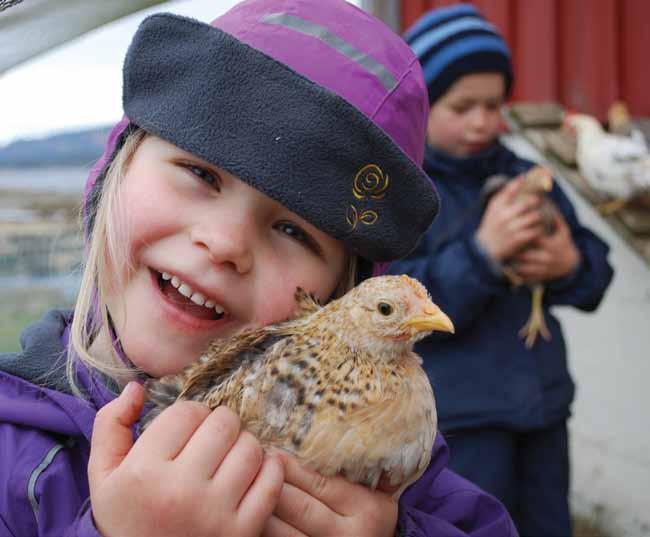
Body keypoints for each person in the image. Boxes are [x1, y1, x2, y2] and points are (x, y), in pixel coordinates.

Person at [0, 1, 519, 536]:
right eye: (200, 173)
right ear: (112, 174)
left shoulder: (396, 476)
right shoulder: (10, 457)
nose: (225, 243)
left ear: (336, 299)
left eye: (294, 230)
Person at [388, 4, 614, 537]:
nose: (483, 121)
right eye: (462, 106)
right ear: (422, 104)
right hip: (460, 421)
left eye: (493, 104)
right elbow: (395, 303)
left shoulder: (526, 175)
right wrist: (484, 254)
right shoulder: (407, 193)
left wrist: (570, 265)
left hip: (543, 409)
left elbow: (596, 273)